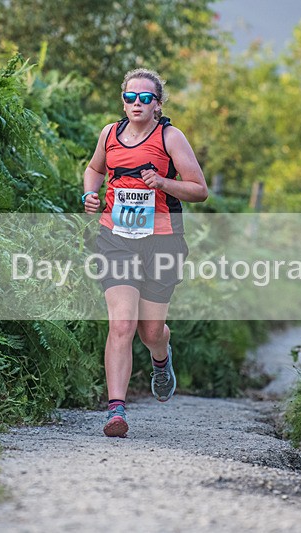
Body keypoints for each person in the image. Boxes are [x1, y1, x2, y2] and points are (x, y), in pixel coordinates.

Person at [82, 68, 208, 438]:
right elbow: (94, 169)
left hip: (162, 241)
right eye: (130, 97)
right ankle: (116, 411)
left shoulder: (171, 137)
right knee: (121, 323)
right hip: (116, 238)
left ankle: (161, 358)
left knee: (150, 330)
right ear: (123, 100)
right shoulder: (109, 133)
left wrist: (164, 182)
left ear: (158, 104)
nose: (136, 104)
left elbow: (199, 189)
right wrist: (89, 194)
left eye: (145, 98)